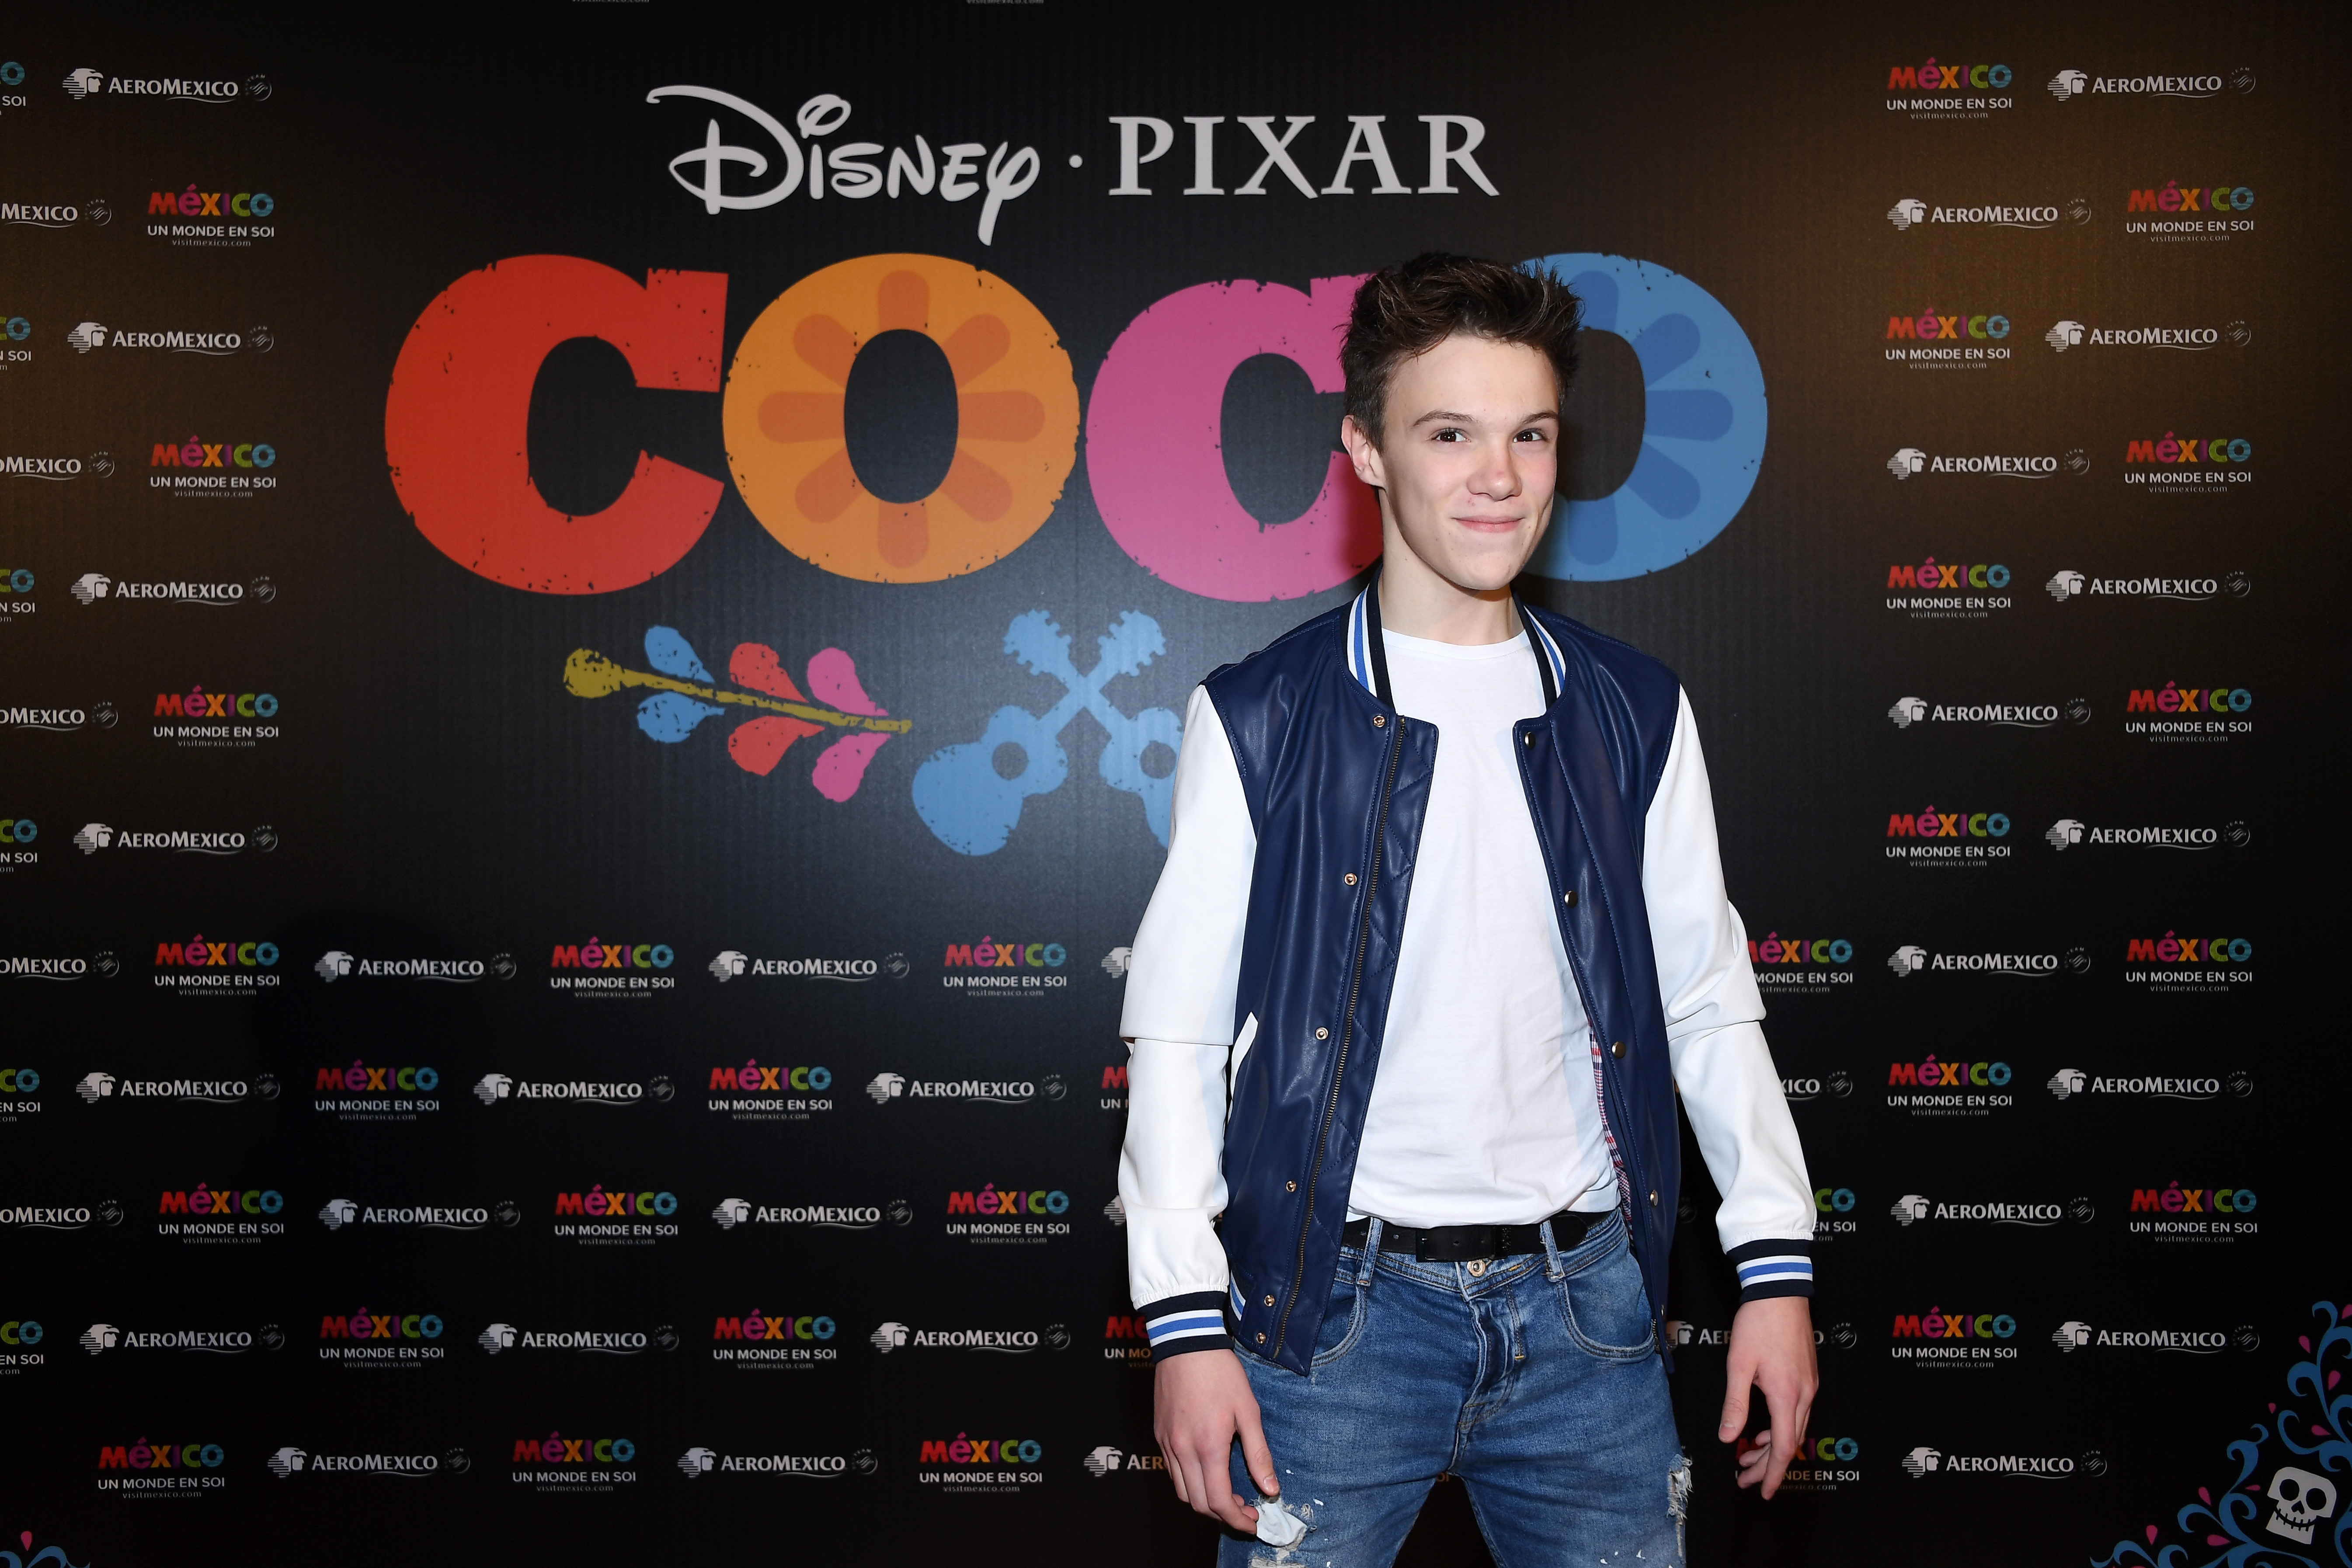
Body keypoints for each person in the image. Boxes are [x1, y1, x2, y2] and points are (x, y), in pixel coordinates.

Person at [1116, 253, 1817, 1566]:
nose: (1499, 476)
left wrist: (1774, 1264)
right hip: (1333, 1323)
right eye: (1450, 434)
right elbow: (1179, 1034)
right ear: (1365, 451)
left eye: (1529, 435)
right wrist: (1185, 1323)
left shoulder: (1636, 711)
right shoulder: (1260, 715)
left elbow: (1707, 1002)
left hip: (1589, 1319)